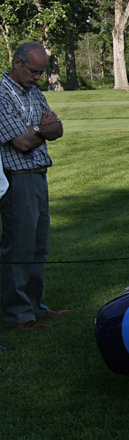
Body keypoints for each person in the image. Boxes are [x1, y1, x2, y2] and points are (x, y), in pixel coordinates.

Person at [0, 42, 69, 331]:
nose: (38, 77)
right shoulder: (2, 94)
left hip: (38, 174)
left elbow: (58, 128)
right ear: (17, 63)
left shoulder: (35, 93)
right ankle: (18, 315)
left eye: (41, 72)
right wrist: (41, 130)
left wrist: (37, 130)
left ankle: (36, 306)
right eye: (33, 71)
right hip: (17, 176)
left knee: (39, 246)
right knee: (19, 247)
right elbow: (22, 143)